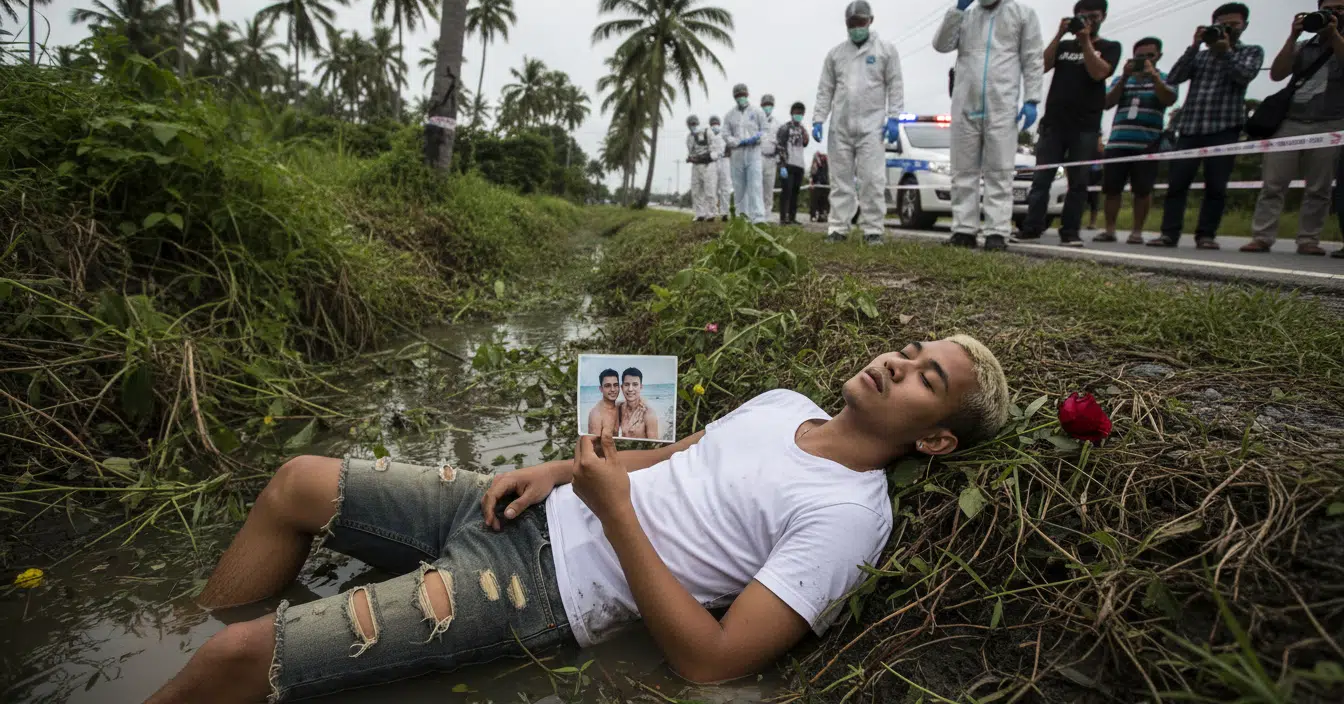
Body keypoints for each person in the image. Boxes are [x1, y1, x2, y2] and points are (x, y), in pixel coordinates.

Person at [145, 336, 1011, 704]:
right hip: (518, 499)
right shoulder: (785, 401)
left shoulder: (848, 519)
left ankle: (207, 653)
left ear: (934, 441)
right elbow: (665, 459)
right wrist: (560, 468)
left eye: (924, 379)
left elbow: (711, 663)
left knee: (237, 659)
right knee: (297, 478)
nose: (897, 364)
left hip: (541, 589)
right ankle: (195, 624)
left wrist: (614, 513)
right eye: (909, 351)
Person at [934, 0, 1044, 252]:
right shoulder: (966, 16)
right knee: (963, 171)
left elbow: (1033, 59)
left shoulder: (1022, 15)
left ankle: (997, 231)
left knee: (999, 170)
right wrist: (956, 11)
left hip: (1001, 103)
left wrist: (1032, 98)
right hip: (966, 103)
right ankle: (964, 229)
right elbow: (941, 44)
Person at [1149, 2, 1265, 249]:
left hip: (1225, 127)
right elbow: (1175, 76)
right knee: (1177, 184)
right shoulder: (1200, 56)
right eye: (1222, 25)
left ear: (1244, 25)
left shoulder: (1250, 52)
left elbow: (1244, 76)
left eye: (1233, 25)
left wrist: (1225, 52)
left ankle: (1206, 235)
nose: (1227, 29)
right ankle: (1169, 233)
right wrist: (1194, 45)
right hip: (1190, 127)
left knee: (1216, 185)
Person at [1241, 0, 1344, 256]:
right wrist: (1294, 35)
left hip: (1331, 123)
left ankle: (1308, 240)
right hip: (1290, 121)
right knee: (1273, 183)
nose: (1335, 13)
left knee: (1319, 187)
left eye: (1340, 9)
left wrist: (1334, 36)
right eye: (1329, 9)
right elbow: (1277, 74)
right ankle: (1262, 237)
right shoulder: (1304, 46)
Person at [1015, 0, 1122, 247]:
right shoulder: (1063, 48)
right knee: (1041, 179)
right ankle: (1031, 227)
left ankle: (1070, 231)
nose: (1088, 21)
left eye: (1094, 17)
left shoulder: (1109, 47)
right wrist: (1059, 35)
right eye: (1083, 17)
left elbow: (1099, 73)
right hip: (1054, 124)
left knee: (1078, 181)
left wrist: (1085, 41)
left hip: (1085, 126)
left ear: (1103, 17)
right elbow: (1039, 66)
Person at [813, 0, 905, 246]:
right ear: (846, 24)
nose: (856, 27)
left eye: (860, 22)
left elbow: (895, 85)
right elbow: (826, 89)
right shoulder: (836, 55)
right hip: (840, 127)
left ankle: (873, 229)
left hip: (872, 127)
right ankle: (838, 227)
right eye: (852, 23)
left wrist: (894, 117)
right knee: (840, 180)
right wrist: (819, 118)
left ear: (870, 21)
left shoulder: (886, 51)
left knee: (872, 179)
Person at [1095, 37, 1179, 244]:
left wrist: (1154, 77)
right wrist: (1124, 78)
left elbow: (1169, 99)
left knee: (1142, 190)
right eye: (1139, 56)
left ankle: (1137, 232)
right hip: (1118, 142)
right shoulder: (1122, 80)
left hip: (1147, 144)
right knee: (1112, 189)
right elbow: (1106, 103)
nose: (1144, 60)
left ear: (1158, 56)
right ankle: (1110, 230)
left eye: (1149, 56)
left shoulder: (1167, 78)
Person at [724, 84, 770, 224]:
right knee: (739, 186)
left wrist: (757, 137)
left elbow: (765, 130)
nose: (740, 98)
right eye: (738, 96)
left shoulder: (757, 112)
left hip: (754, 153)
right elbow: (725, 134)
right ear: (734, 97)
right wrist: (737, 142)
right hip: (737, 154)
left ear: (747, 94)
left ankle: (758, 218)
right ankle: (741, 218)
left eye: (742, 95)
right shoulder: (730, 115)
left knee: (755, 184)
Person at [777, 101, 811, 225]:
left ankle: (792, 217)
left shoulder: (802, 129)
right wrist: (781, 165)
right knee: (786, 191)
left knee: (795, 193)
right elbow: (780, 146)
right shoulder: (785, 128)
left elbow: (806, 144)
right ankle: (783, 218)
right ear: (792, 113)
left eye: (801, 113)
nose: (799, 115)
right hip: (788, 164)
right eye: (797, 112)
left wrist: (806, 133)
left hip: (799, 164)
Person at [685, 115, 720, 222]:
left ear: (698, 123)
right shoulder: (689, 138)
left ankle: (711, 213)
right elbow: (691, 151)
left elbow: (714, 148)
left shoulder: (707, 132)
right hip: (696, 166)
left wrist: (709, 156)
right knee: (696, 190)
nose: (693, 126)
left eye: (694, 124)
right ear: (688, 125)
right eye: (691, 124)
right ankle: (700, 214)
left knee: (709, 190)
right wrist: (690, 158)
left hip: (708, 165)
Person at [616, 367, 660, 441]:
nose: (630, 389)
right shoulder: (619, 407)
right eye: (627, 384)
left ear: (641, 387)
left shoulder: (648, 414)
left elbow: (654, 445)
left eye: (635, 384)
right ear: (622, 387)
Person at [759, 94, 780, 218]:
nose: (768, 107)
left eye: (770, 105)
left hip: (771, 159)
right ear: (761, 106)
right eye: (765, 105)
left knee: (768, 188)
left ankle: (767, 215)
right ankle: (756, 215)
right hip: (758, 157)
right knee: (756, 187)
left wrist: (779, 160)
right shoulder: (755, 122)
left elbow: (780, 143)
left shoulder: (777, 124)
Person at [586, 368, 622, 437]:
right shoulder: (596, 415)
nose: (612, 389)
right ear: (601, 389)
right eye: (607, 386)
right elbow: (594, 445)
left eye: (615, 385)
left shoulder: (619, 407)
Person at [709, 115, 731, 221]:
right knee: (713, 188)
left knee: (725, 188)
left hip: (725, 161)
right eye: (712, 124)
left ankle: (724, 213)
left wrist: (727, 153)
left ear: (719, 124)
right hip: (713, 163)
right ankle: (712, 213)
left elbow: (731, 146)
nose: (714, 126)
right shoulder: (708, 137)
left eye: (716, 123)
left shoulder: (725, 135)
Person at [1086, 136, 1105, 230]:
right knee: (1081, 200)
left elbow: (1103, 167)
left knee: (1094, 202)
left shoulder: (1102, 154)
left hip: (1096, 179)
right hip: (1085, 177)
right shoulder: (1086, 151)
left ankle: (1092, 223)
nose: (1099, 143)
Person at [810, 152, 831, 221]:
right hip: (816, 184)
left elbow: (828, 174)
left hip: (825, 184)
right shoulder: (815, 164)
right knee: (814, 201)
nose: (823, 158)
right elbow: (812, 173)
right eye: (821, 156)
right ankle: (813, 216)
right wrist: (812, 182)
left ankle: (822, 216)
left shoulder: (827, 164)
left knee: (824, 201)